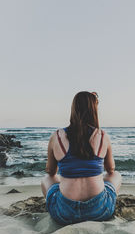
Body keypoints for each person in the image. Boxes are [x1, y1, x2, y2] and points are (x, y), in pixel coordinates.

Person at [41, 91, 121, 225]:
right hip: (100, 211)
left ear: (74, 109)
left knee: (47, 178)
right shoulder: (102, 136)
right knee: (115, 175)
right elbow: (111, 169)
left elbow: (50, 171)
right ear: (93, 110)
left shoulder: (57, 136)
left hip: (64, 213)